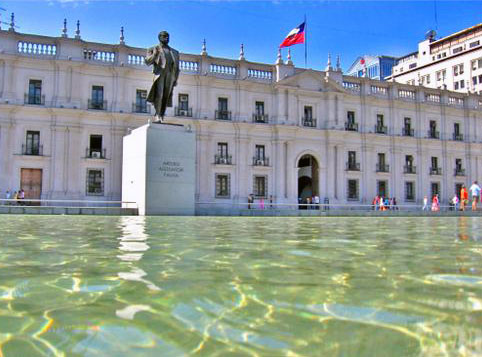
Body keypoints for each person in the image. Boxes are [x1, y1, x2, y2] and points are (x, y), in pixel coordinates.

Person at [145, 31, 180, 122]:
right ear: (159, 38)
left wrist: (175, 79)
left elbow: (177, 68)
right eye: (164, 36)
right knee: (159, 94)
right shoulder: (153, 49)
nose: (167, 38)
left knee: (166, 96)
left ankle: (162, 115)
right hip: (160, 74)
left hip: (170, 75)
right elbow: (147, 62)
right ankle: (157, 114)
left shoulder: (175, 52)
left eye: (168, 37)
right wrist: (155, 54)